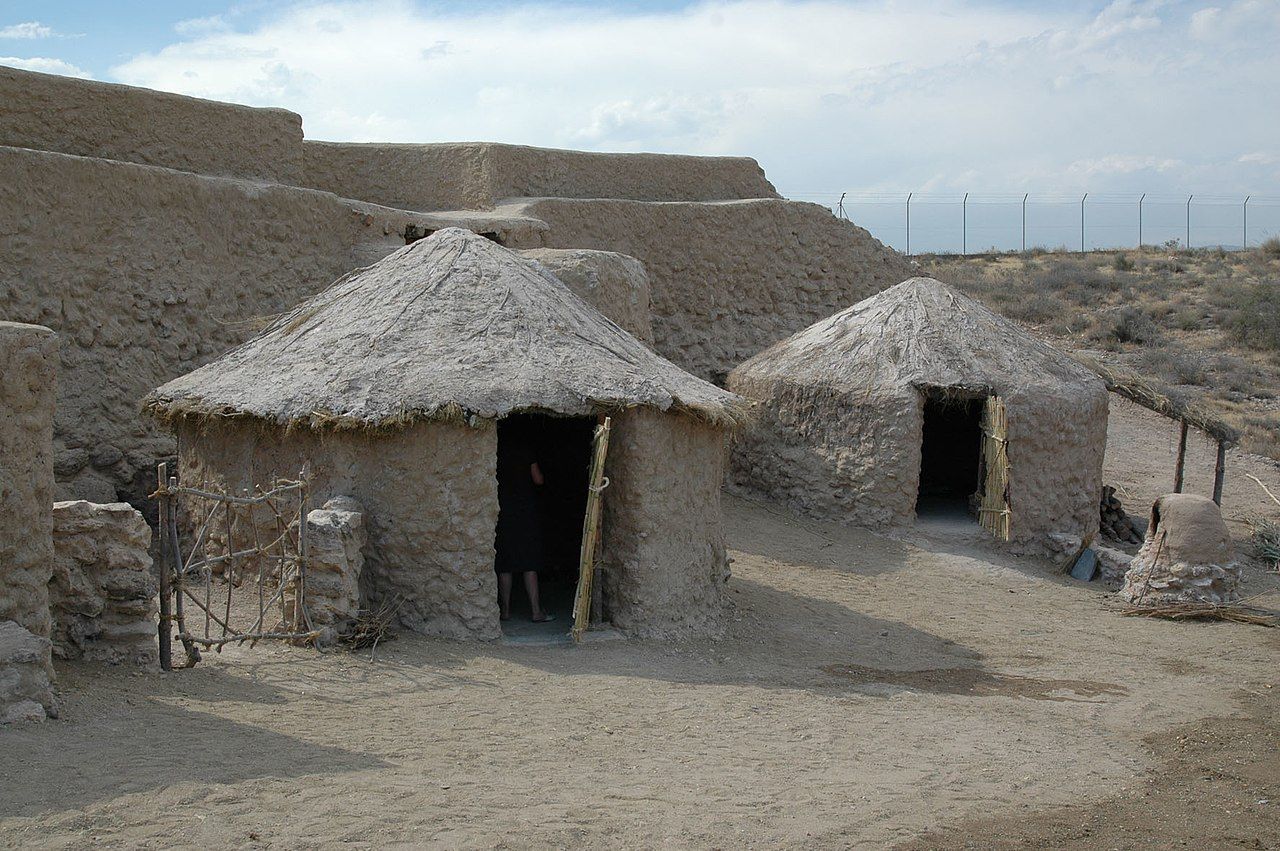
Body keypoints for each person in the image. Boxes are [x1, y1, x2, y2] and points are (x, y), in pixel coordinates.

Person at [494, 417, 553, 623]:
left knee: (505, 563)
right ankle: (536, 611)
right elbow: (538, 479)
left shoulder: (497, 450)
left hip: (503, 511)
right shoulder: (526, 450)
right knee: (530, 562)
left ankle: (505, 611)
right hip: (525, 511)